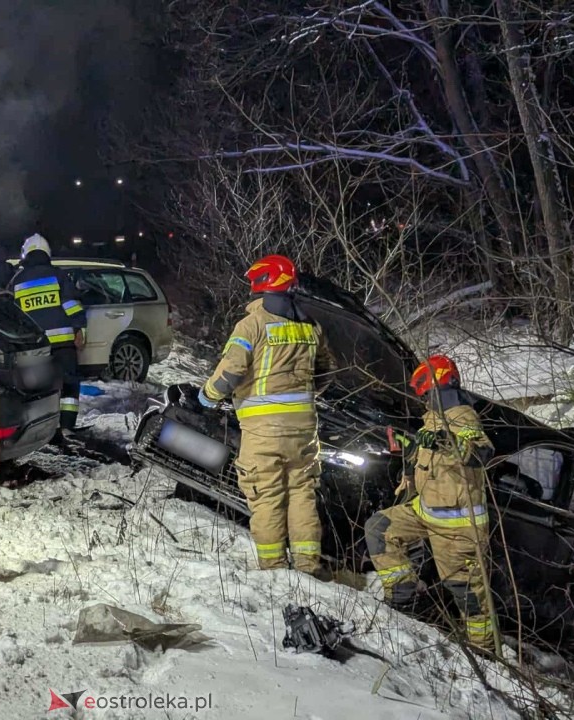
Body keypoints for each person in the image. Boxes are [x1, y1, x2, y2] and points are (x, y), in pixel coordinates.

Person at [199, 254, 336, 578]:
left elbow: (231, 371)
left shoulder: (253, 324)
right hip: (304, 428)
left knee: (267, 496)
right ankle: (307, 565)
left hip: (263, 432)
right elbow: (326, 371)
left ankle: (274, 569)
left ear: (262, 284)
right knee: (302, 493)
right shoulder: (311, 326)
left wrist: (208, 396)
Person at [364, 355, 496, 650]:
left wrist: (446, 441)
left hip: (458, 527)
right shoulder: (433, 419)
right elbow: (434, 462)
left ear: (439, 387)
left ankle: (484, 652)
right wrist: (411, 448)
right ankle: (403, 596)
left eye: (425, 392)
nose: (422, 398)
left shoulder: (464, 418)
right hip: (426, 513)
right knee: (381, 528)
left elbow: (479, 452)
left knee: (468, 595)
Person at [10, 233, 86, 435]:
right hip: (63, 344)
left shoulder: (17, 281)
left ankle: (40, 428)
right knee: (69, 385)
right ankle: (67, 426)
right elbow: (72, 306)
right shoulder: (58, 276)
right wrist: (79, 329)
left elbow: (11, 316)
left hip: (35, 346)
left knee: (38, 388)